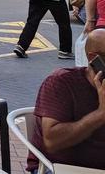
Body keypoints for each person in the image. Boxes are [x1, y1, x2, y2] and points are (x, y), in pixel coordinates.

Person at [27, 28, 105, 173]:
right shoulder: (61, 83)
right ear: (93, 58)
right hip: (59, 168)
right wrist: (100, 115)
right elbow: (52, 142)